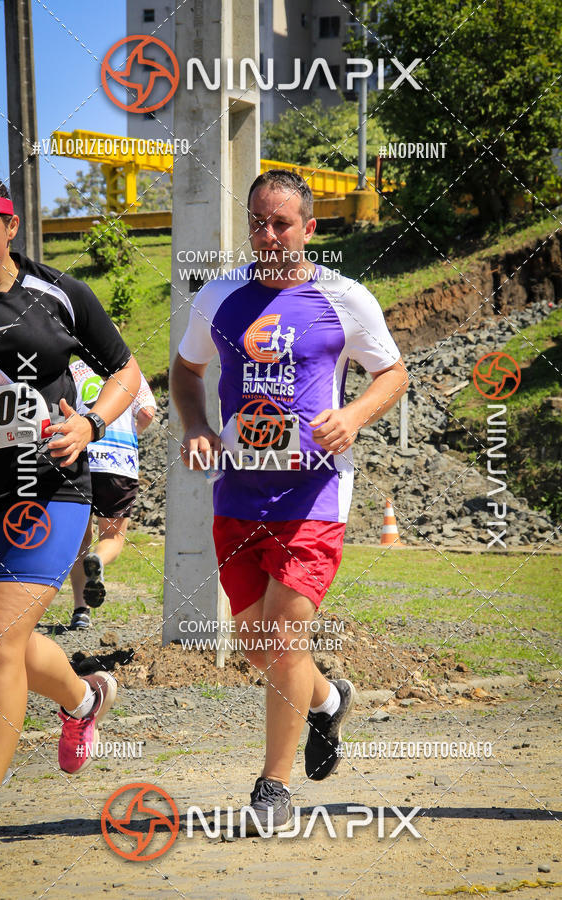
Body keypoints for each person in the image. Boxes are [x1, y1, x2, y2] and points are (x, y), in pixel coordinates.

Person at [171, 169, 409, 833]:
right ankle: (329, 701)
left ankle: (272, 787)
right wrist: (195, 427)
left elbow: (392, 373)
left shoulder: (344, 298)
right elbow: (186, 373)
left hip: (314, 495)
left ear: (309, 228)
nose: (268, 235)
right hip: (239, 493)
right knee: (256, 644)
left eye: (282, 223)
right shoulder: (219, 296)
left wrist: (355, 416)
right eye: (258, 222)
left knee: (281, 636)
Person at [0, 173, 141, 875]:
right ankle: (85, 696)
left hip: (50, 490)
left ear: (9, 225)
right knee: (2, 644)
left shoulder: (59, 293)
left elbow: (123, 369)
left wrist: (92, 422)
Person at [68, 360, 156, 628]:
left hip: (80, 458)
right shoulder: (129, 370)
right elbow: (147, 414)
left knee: (80, 539)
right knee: (113, 537)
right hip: (119, 462)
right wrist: (131, 434)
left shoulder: (73, 370)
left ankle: (80, 611)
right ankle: (100, 559)